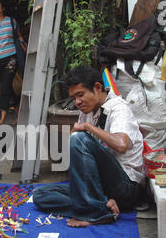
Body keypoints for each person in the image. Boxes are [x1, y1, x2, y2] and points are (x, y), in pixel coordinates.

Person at [33, 65, 146, 227]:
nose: (77, 102)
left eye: (80, 95)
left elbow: (122, 144)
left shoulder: (118, 108)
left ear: (97, 88)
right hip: (102, 188)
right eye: (73, 98)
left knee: (79, 138)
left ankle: (96, 212)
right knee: (41, 195)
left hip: (126, 187)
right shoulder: (87, 111)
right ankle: (103, 206)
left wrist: (87, 128)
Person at [0, 0, 27, 124]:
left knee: (6, 85)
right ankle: (18, 110)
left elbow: (19, 37)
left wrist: (26, 49)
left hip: (11, 58)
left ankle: (3, 116)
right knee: (3, 87)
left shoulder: (10, 21)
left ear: (3, 8)